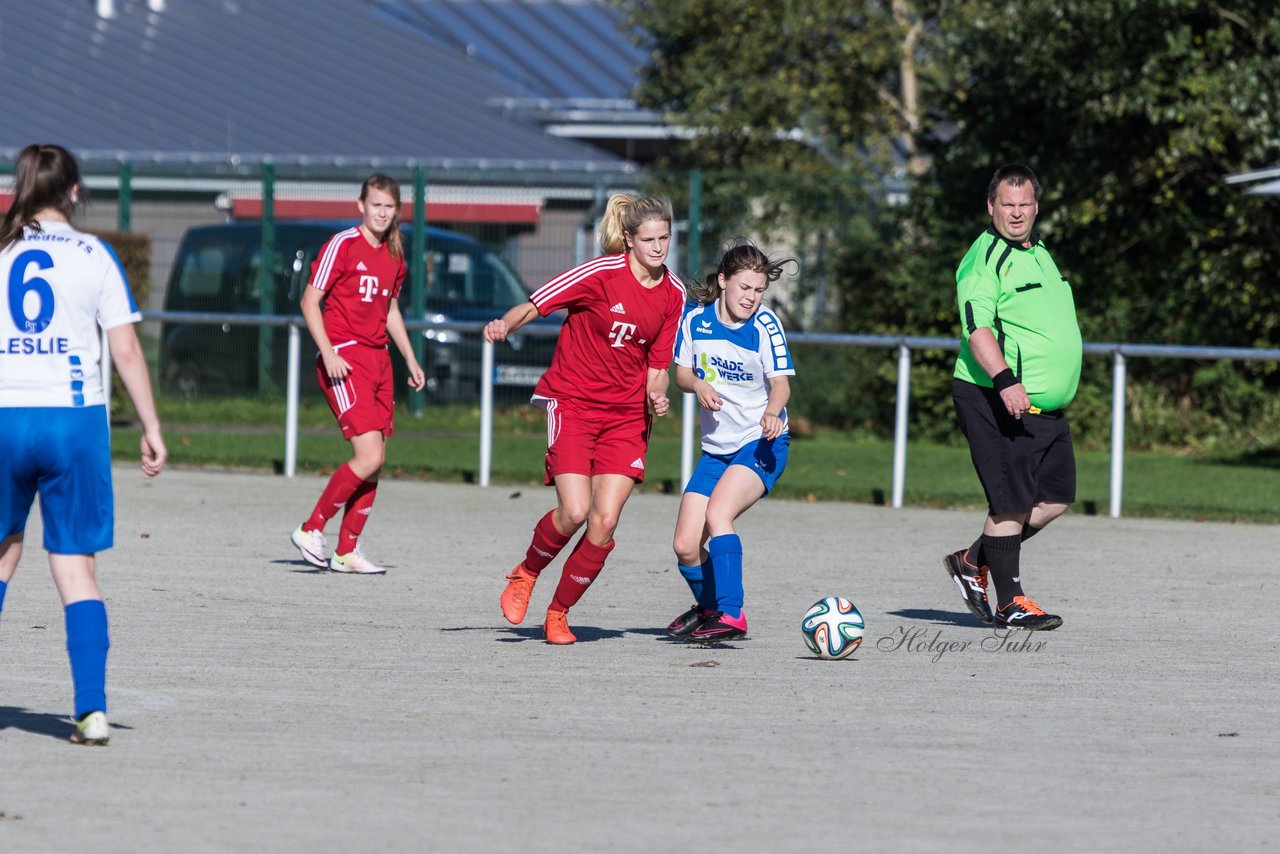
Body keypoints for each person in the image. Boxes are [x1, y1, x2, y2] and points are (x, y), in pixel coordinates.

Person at [0, 144, 167, 745]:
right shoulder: (94, 254)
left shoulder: (1, 249)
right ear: (74, 191)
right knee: (75, 569)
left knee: (2, 555)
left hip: (4, 414)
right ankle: (91, 711)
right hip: (73, 422)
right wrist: (150, 426)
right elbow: (124, 350)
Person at [485, 194, 685, 644]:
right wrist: (505, 324)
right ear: (629, 240)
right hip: (573, 402)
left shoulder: (674, 293)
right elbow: (536, 305)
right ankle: (525, 573)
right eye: (649, 239)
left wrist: (658, 395)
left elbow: (658, 366)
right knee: (574, 511)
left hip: (626, 416)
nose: (658, 247)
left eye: (665, 238)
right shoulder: (598, 274)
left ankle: (558, 613)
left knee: (604, 520)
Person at [943, 164, 1081, 631]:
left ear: (1036, 207)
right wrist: (1005, 380)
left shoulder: (1040, 251)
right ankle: (1011, 601)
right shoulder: (984, 258)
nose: (1017, 213)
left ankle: (973, 560)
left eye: (1025, 205)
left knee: (1056, 498)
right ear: (991, 207)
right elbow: (976, 326)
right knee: (1011, 503)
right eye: (1008, 205)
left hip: (1046, 409)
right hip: (995, 397)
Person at [290, 174, 425, 574]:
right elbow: (309, 302)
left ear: (397, 211)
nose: (382, 212)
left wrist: (411, 359)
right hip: (345, 360)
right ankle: (311, 528)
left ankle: (346, 550)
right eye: (376, 205)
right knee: (367, 455)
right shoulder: (342, 244)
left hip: (379, 360)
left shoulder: (396, 255)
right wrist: (328, 353)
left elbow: (391, 313)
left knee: (376, 458)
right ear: (361, 205)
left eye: (389, 206)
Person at [666, 240, 796, 643]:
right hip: (716, 450)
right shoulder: (696, 321)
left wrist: (773, 412)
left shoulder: (765, 325)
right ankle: (709, 608)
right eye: (745, 288)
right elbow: (682, 374)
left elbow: (781, 385)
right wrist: (698, 384)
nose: (752, 298)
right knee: (686, 545)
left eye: (759, 290)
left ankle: (731, 614)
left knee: (718, 514)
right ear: (723, 281)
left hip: (761, 444)